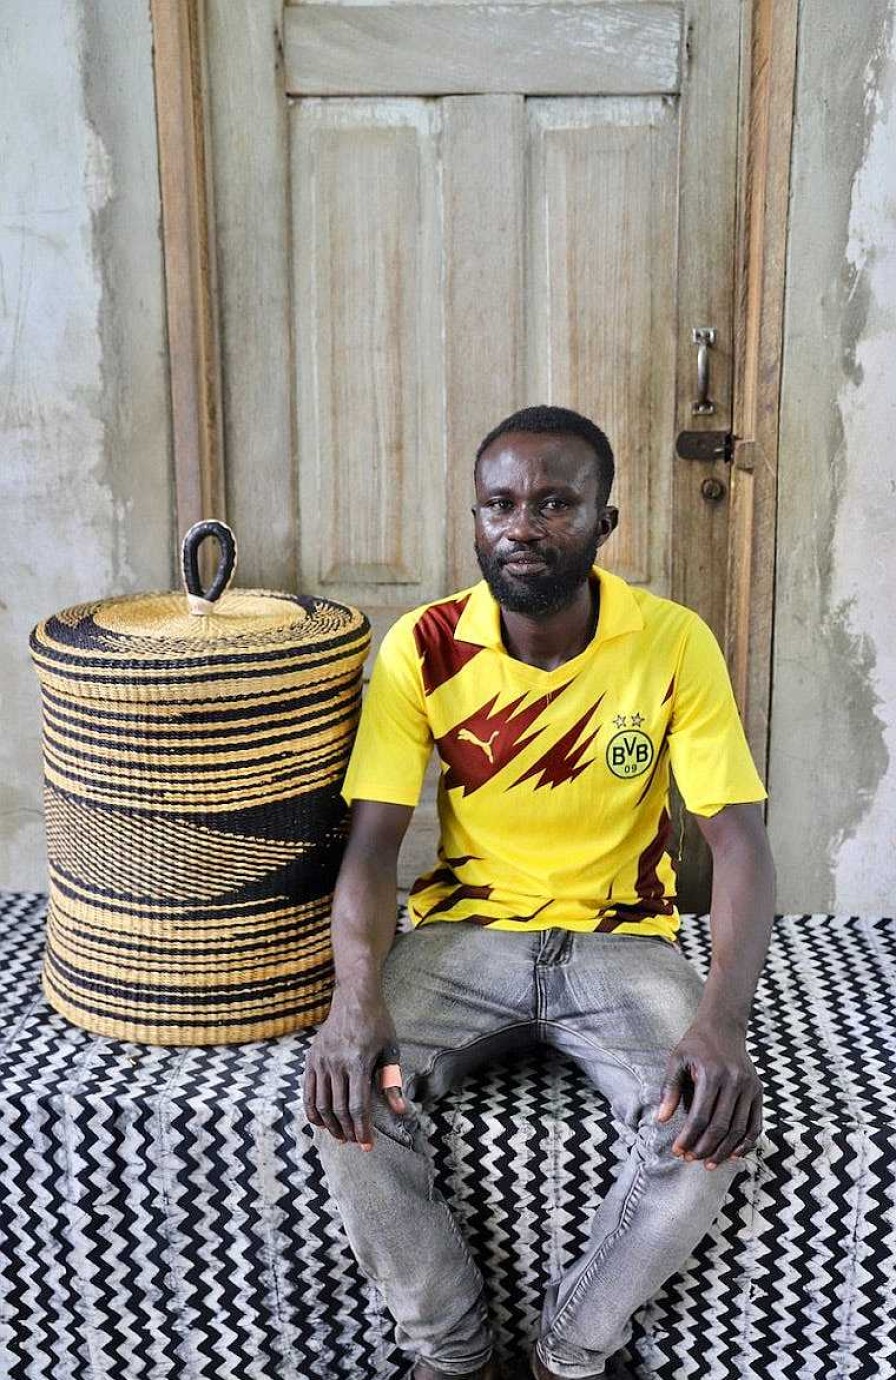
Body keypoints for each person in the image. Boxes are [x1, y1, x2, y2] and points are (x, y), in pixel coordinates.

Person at [303, 404, 775, 1380]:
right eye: (500, 504)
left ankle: (569, 1354)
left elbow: (736, 842)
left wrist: (722, 1019)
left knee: (708, 1123)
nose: (523, 525)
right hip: (461, 933)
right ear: (474, 521)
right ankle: (454, 1357)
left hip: (623, 943)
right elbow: (371, 845)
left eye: (556, 503)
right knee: (345, 1102)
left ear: (605, 524)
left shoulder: (670, 641)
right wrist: (354, 1000)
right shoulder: (423, 647)